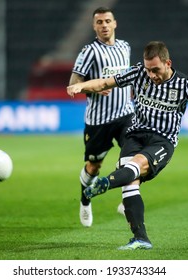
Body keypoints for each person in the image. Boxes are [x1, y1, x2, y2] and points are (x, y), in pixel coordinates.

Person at [67, 41, 188, 250]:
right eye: (148, 69)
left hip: (162, 140)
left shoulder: (185, 84)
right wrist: (81, 85)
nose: (151, 75)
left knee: (135, 165)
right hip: (135, 136)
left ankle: (105, 183)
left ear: (168, 63)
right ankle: (141, 239)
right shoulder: (138, 73)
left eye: (155, 70)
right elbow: (104, 83)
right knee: (130, 184)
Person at [69, 7, 134, 227]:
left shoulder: (125, 47)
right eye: (99, 22)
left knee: (135, 157)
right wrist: (94, 89)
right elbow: (73, 86)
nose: (104, 25)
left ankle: (126, 202)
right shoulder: (89, 52)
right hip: (99, 121)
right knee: (94, 166)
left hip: (126, 114)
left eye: (108, 21)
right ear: (94, 26)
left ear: (115, 23)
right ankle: (85, 199)